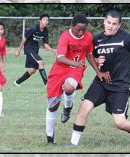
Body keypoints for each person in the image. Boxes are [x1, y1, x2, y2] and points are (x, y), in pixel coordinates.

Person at [68, 9, 130, 146]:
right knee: (84, 108)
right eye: (108, 22)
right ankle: (73, 144)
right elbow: (91, 57)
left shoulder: (125, 38)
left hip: (119, 85)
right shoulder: (96, 40)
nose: (111, 26)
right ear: (104, 21)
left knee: (119, 122)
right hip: (101, 82)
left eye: (114, 24)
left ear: (119, 25)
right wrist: (97, 61)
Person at [46, 14, 111, 144]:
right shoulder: (65, 36)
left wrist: (98, 72)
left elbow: (89, 54)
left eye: (83, 29)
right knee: (52, 106)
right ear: (72, 26)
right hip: (59, 70)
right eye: (78, 29)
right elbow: (59, 57)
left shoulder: (88, 36)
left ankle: (68, 107)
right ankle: (50, 137)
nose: (81, 32)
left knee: (69, 88)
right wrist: (75, 63)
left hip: (75, 69)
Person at [14, 13, 55, 87]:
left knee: (32, 70)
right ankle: (47, 84)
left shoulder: (45, 31)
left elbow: (45, 45)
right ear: (40, 21)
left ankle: (17, 82)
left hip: (35, 50)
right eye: (44, 20)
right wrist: (18, 50)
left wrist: (53, 50)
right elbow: (24, 39)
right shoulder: (34, 29)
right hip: (28, 49)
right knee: (41, 62)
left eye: (47, 20)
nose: (46, 21)